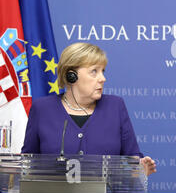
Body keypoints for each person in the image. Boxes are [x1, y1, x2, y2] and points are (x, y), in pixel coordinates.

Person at [21, 42, 156, 176]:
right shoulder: (42, 109)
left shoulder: (116, 106)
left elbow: (133, 159)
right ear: (71, 76)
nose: (103, 79)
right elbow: (27, 165)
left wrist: (140, 168)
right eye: (94, 71)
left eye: (102, 71)